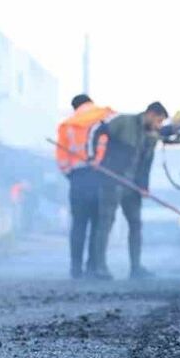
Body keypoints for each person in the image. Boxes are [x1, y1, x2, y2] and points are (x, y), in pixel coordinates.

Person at [88, 101, 169, 280]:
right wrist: (95, 157)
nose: (159, 125)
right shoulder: (124, 122)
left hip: (133, 186)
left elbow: (146, 164)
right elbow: (98, 132)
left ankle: (136, 268)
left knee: (135, 224)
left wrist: (144, 187)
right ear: (150, 114)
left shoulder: (151, 137)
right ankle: (99, 267)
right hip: (112, 180)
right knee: (105, 223)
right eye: (158, 120)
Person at [55, 94, 113, 279]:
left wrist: (70, 174)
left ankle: (75, 268)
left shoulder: (67, 125)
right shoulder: (104, 115)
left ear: (75, 107)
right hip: (100, 175)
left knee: (79, 224)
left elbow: (61, 157)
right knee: (98, 223)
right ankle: (93, 267)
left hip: (78, 178)